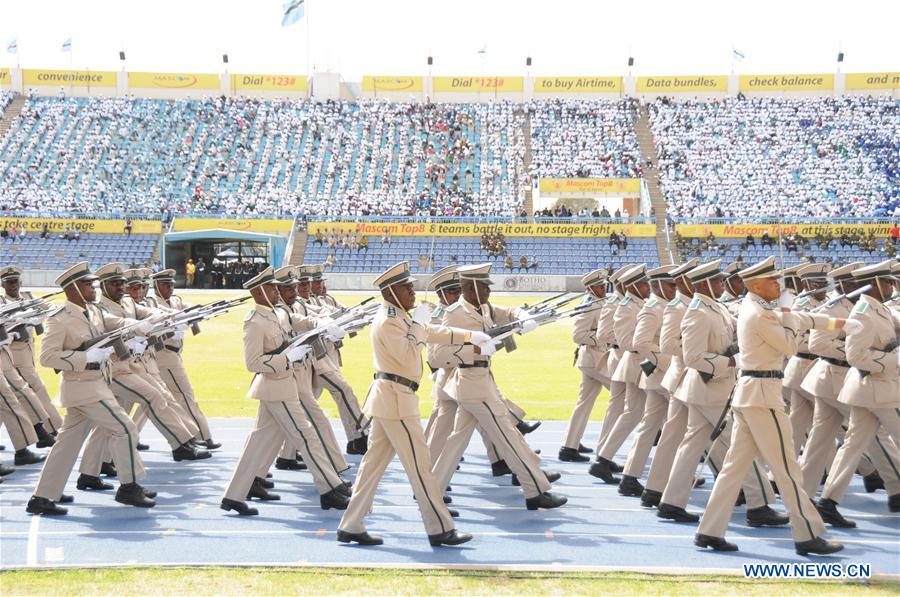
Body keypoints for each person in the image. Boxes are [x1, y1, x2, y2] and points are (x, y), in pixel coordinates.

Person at [695, 256, 846, 556]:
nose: (779, 285)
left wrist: (841, 323)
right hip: (763, 395)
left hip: (752, 394)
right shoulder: (760, 314)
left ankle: (709, 530)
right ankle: (807, 534)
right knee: (787, 468)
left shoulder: (757, 308)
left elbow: (803, 320)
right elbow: (789, 344)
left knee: (733, 469)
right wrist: (788, 310)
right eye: (772, 281)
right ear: (756, 286)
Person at [337, 261, 481, 546]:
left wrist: (469, 336)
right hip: (396, 400)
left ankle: (351, 524)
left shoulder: (400, 317)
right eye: (407, 288)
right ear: (390, 292)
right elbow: (405, 354)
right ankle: (440, 528)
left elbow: (432, 332)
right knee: (420, 466)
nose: (413, 292)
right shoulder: (389, 321)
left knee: (372, 467)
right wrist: (417, 325)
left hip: (392, 400)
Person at [431, 263, 567, 510]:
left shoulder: (484, 307)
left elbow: (509, 312)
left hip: (480, 381)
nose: (488, 290)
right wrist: (475, 350)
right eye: (484, 286)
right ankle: (535, 490)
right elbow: (437, 355)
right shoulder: (454, 314)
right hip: (472, 383)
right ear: (470, 287)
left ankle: (431, 491)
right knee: (508, 436)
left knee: (456, 442)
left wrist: (523, 317)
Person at [25, 262, 155, 515]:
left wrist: (139, 326)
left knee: (66, 444)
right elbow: (47, 358)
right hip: (84, 388)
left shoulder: (93, 310)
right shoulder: (59, 319)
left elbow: (114, 322)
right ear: (72, 288)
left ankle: (43, 496)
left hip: (95, 384)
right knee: (125, 428)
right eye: (87, 284)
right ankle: (129, 486)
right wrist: (84, 357)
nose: (94, 288)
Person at [220, 266, 350, 516]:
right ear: (258, 292)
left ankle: (233, 496)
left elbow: (299, 321)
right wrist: (287, 358)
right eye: (271, 287)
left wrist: (322, 323)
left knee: (257, 443)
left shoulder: (277, 313)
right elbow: (253, 363)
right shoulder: (254, 322)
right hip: (276, 387)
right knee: (307, 436)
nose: (276, 290)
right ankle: (330, 488)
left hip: (280, 387)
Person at [816, 260, 900, 527]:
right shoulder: (863, 313)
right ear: (874, 284)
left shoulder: (877, 308)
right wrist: (894, 359)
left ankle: (828, 502)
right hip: (880, 389)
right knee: (853, 445)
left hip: (870, 391)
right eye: (887, 282)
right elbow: (855, 355)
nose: (892, 286)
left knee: (852, 447)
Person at [559, 269, 608, 462]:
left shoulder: (598, 302)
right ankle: (606, 450)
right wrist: (603, 337)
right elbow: (578, 335)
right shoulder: (589, 305)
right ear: (590, 288)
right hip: (595, 359)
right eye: (599, 286)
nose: (603, 289)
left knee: (584, 403)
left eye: (604, 285)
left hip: (593, 360)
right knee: (625, 396)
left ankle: (569, 445)